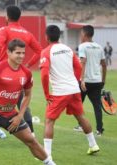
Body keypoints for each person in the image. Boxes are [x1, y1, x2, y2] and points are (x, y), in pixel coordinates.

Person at [40, 25, 100, 159]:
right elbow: (78, 67)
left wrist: (46, 93)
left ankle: (46, 154)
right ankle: (93, 144)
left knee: (49, 121)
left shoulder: (46, 51)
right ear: (59, 36)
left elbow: (44, 74)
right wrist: (75, 83)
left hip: (59, 92)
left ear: (46, 37)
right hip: (74, 89)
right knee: (81, 117)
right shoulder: (68, 49)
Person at [0, 5, 42, 136]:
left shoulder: (4, 29)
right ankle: (31, 132)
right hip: (17, 73)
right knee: (21, 102)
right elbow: (39, 51)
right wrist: (27, 65)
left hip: (1, 72)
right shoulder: (27, 33)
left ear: (7, 17)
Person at [73, 25, 107, 136]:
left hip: (85, 81)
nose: (80, 36)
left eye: (81, 34)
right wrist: (103, 80)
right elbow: (104, 65)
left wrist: (82, 80)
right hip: (97, 81)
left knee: (78, 104)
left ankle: (81, 125)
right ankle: (99, 130)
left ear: (85, 34)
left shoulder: (83, 46)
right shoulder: (99, 47)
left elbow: (83, 62)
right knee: (97, 106)